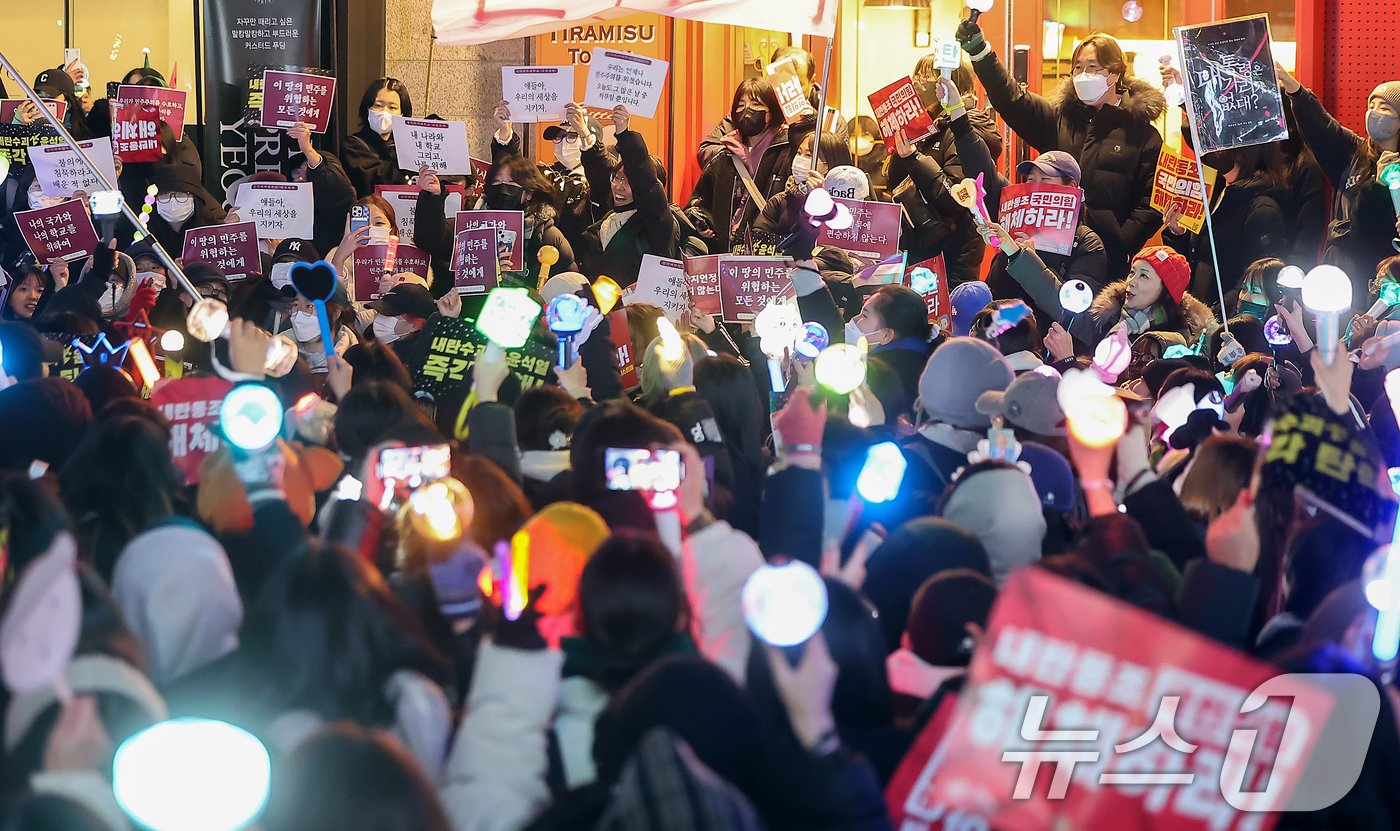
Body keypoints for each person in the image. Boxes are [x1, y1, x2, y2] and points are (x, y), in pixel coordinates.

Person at [957, 25, 1165, 279]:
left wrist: (1120, 243)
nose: (1083, 74)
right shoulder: (1060, 119)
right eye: (1078, 67)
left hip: (1104, 263)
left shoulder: (1142, 135)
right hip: (1047, 254)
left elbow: (1152, 202)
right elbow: (1012, 100)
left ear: (1114, 74)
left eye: (1092, 67)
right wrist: (980, 53)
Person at [1276, 67, 1400, 296]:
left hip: (1389, 281)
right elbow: (1323, 128)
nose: (1373, 113)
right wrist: (1295, 91)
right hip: (1343, 277)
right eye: (1371, 106)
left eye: (1384, 108)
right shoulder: (1355, 154)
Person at [981, 150, 1108, 330]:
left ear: (1070, 186)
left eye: (1045, 179)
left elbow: (1074, 316)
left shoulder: (1087, 242)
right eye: (1031, 179)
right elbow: (995, 293)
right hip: (1003, 337)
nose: (1034, 187)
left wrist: (1029, 260)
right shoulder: (1016, 232)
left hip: (1047, 345)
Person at [1162, 144, 1288, 311]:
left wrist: (1215, 315)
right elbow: (1200, 255)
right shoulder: (1217, 191)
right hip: (1196, 310)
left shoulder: (1262, 208)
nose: (1212, 150)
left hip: (1222, 320)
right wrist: (1179, 233)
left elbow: (1255, 277)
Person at [575, 103, 681, 287]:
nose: (619, 186)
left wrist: (624, 133)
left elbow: (646, 182)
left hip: (637, 313)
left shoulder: (657, 224)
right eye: (617, 178)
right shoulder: (608, 220)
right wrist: (583, 132)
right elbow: (600, 171)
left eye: (630, 181)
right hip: (596, 313)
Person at [696, 45, 849, 169]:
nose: (788, 89)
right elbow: (707, 150)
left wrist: (809, 124)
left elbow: (842, 171)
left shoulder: (830, 120)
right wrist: (742, 157)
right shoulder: (754, 112)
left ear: (811, 80)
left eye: (797, 84)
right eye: (781, 82)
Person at [688, 79, 795, 253]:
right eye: (741, 104)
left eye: (756, 104)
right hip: (726, 256)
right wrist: (700, 219)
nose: (747, 110)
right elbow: (699, 202)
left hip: (770, 258)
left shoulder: (787, 155)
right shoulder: (725, 156)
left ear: (771, 110)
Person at [282, 122, 358, 257]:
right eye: (297, 173)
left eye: (307, 173)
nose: (300, 178)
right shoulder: (284, 208)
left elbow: (332, 182)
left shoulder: (341, 201)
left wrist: (307, 148)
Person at [341, 78, 415, 198]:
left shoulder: (407, 146)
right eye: (378, 105)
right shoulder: (353, 145)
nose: (384, 112)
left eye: (392, 107)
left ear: (403, 114)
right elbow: (376, 180)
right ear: (367, 109)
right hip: (369, 213)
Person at [849, 115, 890, 201]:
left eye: (865, 134)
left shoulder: (886, 159)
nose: (859, 139)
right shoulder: (846, 160)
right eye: (854, 135)